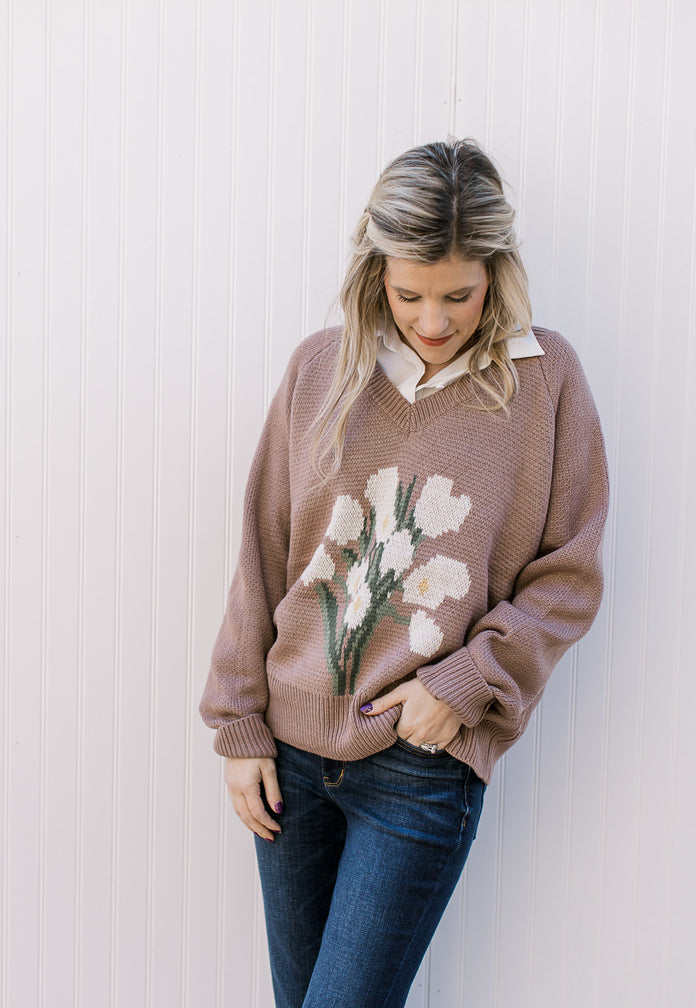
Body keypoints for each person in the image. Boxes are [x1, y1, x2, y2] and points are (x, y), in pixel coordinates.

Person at [199, 138, 609, 1008]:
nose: (432, 320)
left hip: (420, 766)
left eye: (459, 294)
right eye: (409, 292)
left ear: (496, 273)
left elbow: (568, 576)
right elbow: (264, 550)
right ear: (374, 271)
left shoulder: (543, 380)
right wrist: (238, 725)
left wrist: (465, 683)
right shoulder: (321, 368)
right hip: (289, 759)